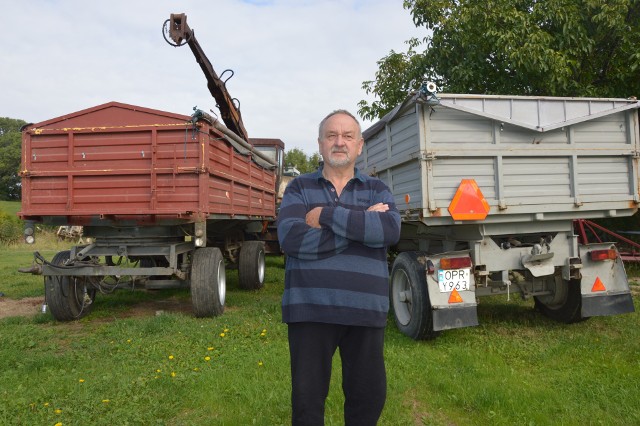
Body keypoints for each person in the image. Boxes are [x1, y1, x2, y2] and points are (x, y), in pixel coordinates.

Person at [277, 110, 401, 425]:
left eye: (347, 136)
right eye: (332, 135)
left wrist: (327, 216)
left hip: (365, 311)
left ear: (359, 146)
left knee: (368, 401)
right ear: (320, 144)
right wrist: (361, 227)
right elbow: (292, 239)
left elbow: (388, 231)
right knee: (306, 405)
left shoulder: (376, 189)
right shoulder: (298, 188)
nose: (339, 142)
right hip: (310, 310)